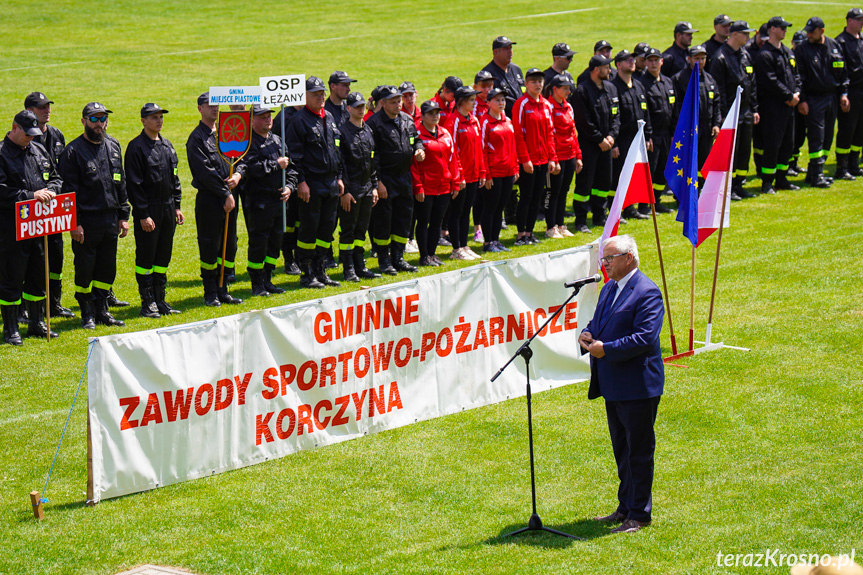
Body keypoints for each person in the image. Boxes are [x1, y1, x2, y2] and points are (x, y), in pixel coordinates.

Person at [578, 234, 665, 534]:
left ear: (629, 257)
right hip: (613, 383)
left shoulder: (647, 292)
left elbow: (644, 338)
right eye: (603, 259)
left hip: (638, 385)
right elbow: (598, 323)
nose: (604, 264)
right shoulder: (608, 290)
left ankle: (639, 514)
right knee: (622, 449)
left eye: (609, 259)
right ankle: (625, 507)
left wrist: (608, 349)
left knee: (639, 450)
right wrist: (587, 336)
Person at [58, 102, 130, 329]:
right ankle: (87, 313)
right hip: (86, 223)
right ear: (83, 121)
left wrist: (124, 215)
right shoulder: (72, 152)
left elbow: (120, 183)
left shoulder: (113, 145)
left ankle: (102, 311)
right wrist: (74, 223)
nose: (100, 124)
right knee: (85, 269)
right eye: (94, 119)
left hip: (110, 219)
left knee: (107, 268)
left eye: (103, 119)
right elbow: (68, 192)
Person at [0, 110, 62, 343]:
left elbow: (55, 177)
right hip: (11, 229)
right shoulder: (2, 154)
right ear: (15, 128)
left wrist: (53, 190)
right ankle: (11, 328)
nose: (31, 138)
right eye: (27, 134)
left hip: (38, 227)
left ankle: (36, 323)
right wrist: (30, 195)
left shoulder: (37, 149)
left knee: (38, 275)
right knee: (11, 277)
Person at [124, 103, 184, 318]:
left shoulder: (167, 145)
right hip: (149, 210)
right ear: (143, 120)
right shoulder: (136, 147)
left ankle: (160, 300)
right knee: (146, 257)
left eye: (160, 117)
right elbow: (134, 184)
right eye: (154, 117)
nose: (159, 120)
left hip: (167, 208)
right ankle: (147, 302)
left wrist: (177, 206)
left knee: (163, 256)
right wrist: (143, 214)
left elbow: (175, 178)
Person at [285, 76, 344, 289]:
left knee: (326, 230)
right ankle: (306, 271)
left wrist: (338, 177)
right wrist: (301, 182)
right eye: (315, 94)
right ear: (305, 96)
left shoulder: (328, 116)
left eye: (322, 93)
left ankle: (321, 269)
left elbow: (336, 149)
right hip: (311, 183)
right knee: (309, 229)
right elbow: (294, 156)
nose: (321, 97)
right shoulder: (299, 121)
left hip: (330, 183)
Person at [187, 92, 243, 306]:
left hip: (229, 197)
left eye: (217, 105)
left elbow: (241, 157)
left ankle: (223, 289)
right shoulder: (196, 138)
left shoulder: (226, 132)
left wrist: (238, 175)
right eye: (209, 105)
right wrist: (225, 193)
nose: (215, 108)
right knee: (211, 246)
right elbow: (204, 172)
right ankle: (210, 292)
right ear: (200, 108)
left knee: (229, 246)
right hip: (211, 200)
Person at [24, 91, 73, 319]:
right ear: (29, 111)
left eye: (48, 106)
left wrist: (54, 190)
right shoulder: (25, 136)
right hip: (29, 210)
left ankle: (54, 303)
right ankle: (27, 307)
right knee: (31, 261)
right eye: (41, 107)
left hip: (53, 208)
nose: (47, 110)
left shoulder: (57, 135)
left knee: (55, 258)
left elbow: (59, 172)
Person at [367, 85, 425, 275]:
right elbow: (371, 157)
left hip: (404, 178)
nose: (398, 104)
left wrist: (419, 149)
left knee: (403, 220)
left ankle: (398, 258)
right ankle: (384, 260)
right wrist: (378, 182)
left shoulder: (407, 120)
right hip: (386, 178)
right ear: (383, 103)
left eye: (399, 101)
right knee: (384, 222)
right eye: (393, 102)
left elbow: (416, 138)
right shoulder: (374, 124)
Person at [241, 104, 296, 295]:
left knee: (275, 242)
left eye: (269, 116)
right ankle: (256, 283)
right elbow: (251, 168)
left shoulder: (278, 141)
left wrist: (290, 187)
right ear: (252, 120)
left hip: (279, 202)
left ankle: (268, 279)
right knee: (259, 243)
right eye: (262, 116)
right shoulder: (247, 143)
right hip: (259, 202)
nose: (268, 119)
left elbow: (291, 168)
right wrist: (275, 164)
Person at [709, 20, 760, 200]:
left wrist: (754, 108)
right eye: (745, 34)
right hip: (730, 113)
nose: (748, 37)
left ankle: (739, 184)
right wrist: (721, 115)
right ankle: (727, 188)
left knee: (744, 150)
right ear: (735, 34)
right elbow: (718, 89)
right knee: (730, 152)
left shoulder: (744, 55)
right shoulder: (720, 57)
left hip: (745, 111)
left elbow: (751, 84)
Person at [795, 17, 849, 187]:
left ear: (822, 31)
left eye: (812, 31)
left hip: (832, 97)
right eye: (807, 31)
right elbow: (799, 78)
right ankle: (817, 174)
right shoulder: (803, 50)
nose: (809, 34)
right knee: (816, 137)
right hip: (813, 98)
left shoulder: (833, 46)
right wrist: (802, 100)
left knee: (827, 137)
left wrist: (844, 93)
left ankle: (813, 172)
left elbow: (843, 71)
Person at [571, 55, 619, 230]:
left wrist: (612, 136)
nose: (610, 70)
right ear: (596, 70)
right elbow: (584, 121)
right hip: (589, 145)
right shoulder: (582, 91)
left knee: (603, 182)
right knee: (585, 182)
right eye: (607, 67)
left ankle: (600, 215)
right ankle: (581, 220)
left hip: (607, 144)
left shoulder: (611, 88)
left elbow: (616, 115)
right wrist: (599, 139)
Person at [754, 16, 801, 194]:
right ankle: (767, 182)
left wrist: (796, 93)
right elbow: (770, 81)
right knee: (773, 144)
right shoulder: (765, 55)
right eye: (781, 28)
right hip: (774, 106)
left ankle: (782, 178)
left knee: (788, 143)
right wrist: (789, 96)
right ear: (772, 29)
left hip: (789, 105)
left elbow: (796, 76)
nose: (784, 30)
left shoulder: (788, 52)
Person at [337, 92, 381, 281]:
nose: (360, 109)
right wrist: (344, 191)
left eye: (362, 105)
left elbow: (372, 161)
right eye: (356, 106)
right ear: (348, 109)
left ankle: (359, 265)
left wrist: (374, 186)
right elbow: (340, 164)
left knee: (361, 231)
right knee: (348, 230)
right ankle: (348, 268)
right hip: (351, 190)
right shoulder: (341, 132)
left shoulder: (368, 130)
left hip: (365, 188)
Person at [513, 68, 558, 246]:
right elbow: (518, 134)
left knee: (537, 196)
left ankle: (530, 232)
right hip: (529, 161)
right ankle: (520, 234)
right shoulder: (521, 104)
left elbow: (550, 133)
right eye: (533, 82)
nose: (537, 85)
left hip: (543, 160)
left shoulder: (547, 105)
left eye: (540, 81)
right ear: (526, 84)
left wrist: (552, 158)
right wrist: (525, 159)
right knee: (526, 196)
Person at [412, 100, 461, 267]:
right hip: (426, 188)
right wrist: (418, 186)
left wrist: (455, 182)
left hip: (444, 187)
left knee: (437, 222)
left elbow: (453, 160)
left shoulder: (445, 133)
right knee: (423, 221)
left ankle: (432, 254)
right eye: (431, 113)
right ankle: (424, 256)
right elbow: (414, 165)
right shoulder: (417, 135)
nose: (435, 116)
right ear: (423, 116)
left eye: (437, 113)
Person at [443, 86, 485, 261]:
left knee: (466, 210)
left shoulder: (474, 120)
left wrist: (482, 171)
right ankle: (456, 248)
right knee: (457, 212)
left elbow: (478, 149)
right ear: (461, 101)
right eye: (471, 100)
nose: (474, 103)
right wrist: (458, 176)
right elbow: (452, 152)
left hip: (474, 175)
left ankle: (464, 245)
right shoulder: (453, 122)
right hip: (461, 177)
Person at [611, 50, 653, 221]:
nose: (632, 62)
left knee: (634, 175)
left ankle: (630, 208)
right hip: (622, 139)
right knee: (619, 176)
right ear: (618, 65)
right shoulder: (613, 88)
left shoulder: (638, 85)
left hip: (638, 138)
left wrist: (648, 135)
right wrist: (614, 143)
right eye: (627, 60)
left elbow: (646, 112)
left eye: (633, 59)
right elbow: (612, 116)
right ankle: (616, 211)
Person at [479, 88, 517, 252]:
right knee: (490, 207)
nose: (501, 103)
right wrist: (486, 174)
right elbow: (482, 150)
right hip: (494, 173)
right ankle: (488, 242)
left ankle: (496, 240)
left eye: (503, 100)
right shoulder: (485, 123)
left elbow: (513, 146)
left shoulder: (507, 120)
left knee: (500, 208)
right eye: (497, 100)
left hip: (508, 172)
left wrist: (515, 168)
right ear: (488, 103)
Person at [544, 74, 582, 237]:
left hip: (569, 155)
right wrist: (553, 158)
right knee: (552, 192)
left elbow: (573, 133)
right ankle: (550, 226)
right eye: (565, 88)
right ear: (555, 89)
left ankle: (560, 224)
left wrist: (578, 155)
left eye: (569, 88)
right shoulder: (549, 107)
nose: (568, 91)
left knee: (564, 190)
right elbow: (549, 134)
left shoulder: (568, 107)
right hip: (557, 156)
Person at [672, 45, 722, 171]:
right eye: (696, 58)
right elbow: (676, 107)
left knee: (704, 160)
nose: (700, 62)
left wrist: (716, 124)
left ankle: (701, 187)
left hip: (707, 127)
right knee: (688, 160)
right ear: (689, 59)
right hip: (689, 128)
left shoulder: (710, 80)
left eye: (703, 58)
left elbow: (716, 104)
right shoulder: (679, 79)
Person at [638, 48, 676, 214]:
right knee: (649, 171)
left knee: (662, 169)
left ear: (662, 61)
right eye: (650, 60)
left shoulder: (668, 82)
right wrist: (647, 135)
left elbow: (675, 108)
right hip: (652, 136)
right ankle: (644, 205)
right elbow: (642, 112)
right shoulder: (641, 84)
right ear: (645, 63)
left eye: (656, 60)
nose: (653, 63)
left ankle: (656, 200)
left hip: (667, 134)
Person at [273, 104, 304, 276]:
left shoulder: (308, 114)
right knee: (290, 221)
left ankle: (301, 257)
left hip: (307, 175)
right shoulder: (284, 117)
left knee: (302, 221)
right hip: (290, 176)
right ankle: (289, 258)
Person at [835, 8, 863, 179]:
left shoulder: (862, 40)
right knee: (847, 128)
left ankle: (854, 163)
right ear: (849, 21)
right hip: (851, 92)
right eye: (858, 19)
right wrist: (843, 93)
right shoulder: (841, 42)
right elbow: (841, 71)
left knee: (860, 129)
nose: (861, 23)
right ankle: (841, 166)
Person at [482, 36, 525, 117]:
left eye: (510, 48)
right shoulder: (487, 74)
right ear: (495, 52)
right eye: (505, 49)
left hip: (522, 118)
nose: (510, 52)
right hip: (504, 120)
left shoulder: (516, 69)